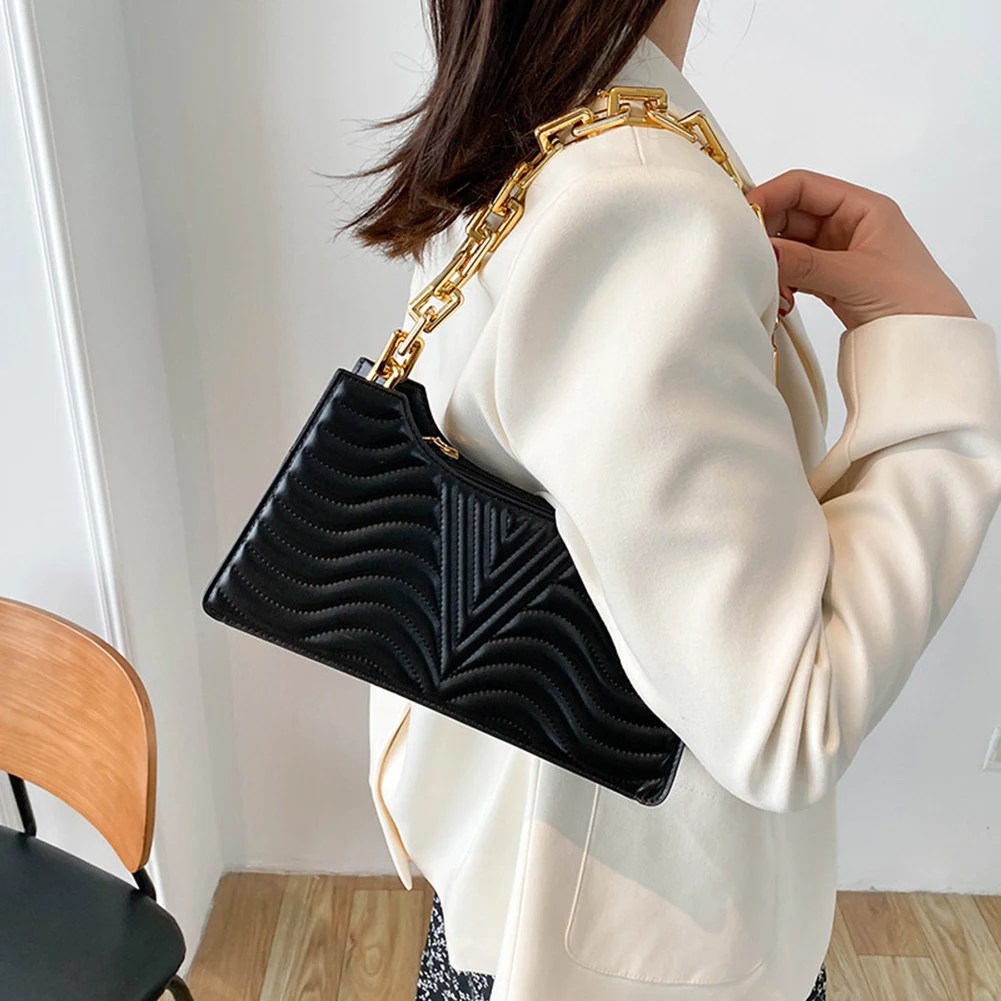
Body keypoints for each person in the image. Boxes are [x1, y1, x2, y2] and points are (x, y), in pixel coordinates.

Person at [349, 2, 1001, 999]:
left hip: (534, 869)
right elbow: (787, 718)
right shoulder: (632, 194)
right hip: (624, 940)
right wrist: (932, 354)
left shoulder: (522, 123)